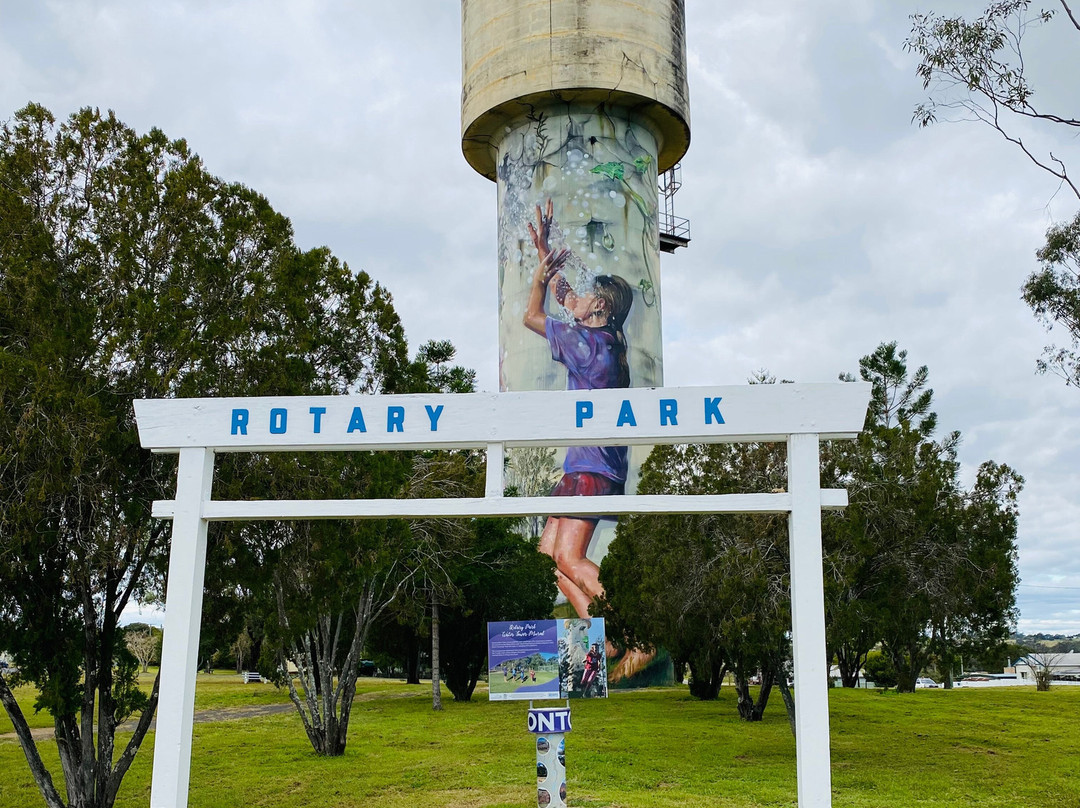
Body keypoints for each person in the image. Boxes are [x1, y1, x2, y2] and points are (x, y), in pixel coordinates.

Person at [523, 199, 633, 619]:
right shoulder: (603, 338)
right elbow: (565, 294)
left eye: (589, 294)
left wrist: (537, 276)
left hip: (591, 469)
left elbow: (532, 315)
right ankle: (602, 638)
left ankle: (633, 630)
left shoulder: (586, 345)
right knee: (549, 555)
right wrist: (545, 251)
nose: (578, 296)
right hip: (588, 466)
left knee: (567, 556)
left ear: (600, 308)